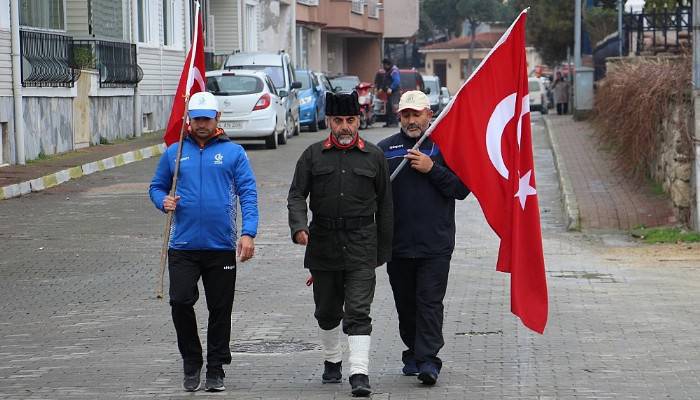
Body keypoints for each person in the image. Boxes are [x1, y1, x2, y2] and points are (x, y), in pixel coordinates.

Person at [149, 91, 259, 393]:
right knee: (180, 301)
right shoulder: (174, 152)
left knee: (220, 309)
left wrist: (248, 232)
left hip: (221, 246)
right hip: (182, 246)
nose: (201, 124)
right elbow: (156, 186)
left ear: (217, 119)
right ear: (188, 119)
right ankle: (191, 360)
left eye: (206, 119)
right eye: (196, 119)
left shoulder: (233, 152)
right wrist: (163, 201)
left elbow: (248, 193)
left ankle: (215, 368)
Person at [287, 91, 393, 397]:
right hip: (323, 245)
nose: (344, 127)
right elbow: (296, 194)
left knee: (358, 311)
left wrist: (382, 252)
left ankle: (359, 372)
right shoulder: (311, 155)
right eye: (338, 121)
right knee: (327, 310)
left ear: (358, 121)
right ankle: (332, 360)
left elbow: (386, 206)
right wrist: (298, 227)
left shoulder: (374, 156)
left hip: (362, 246)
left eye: (350, 120)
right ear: (328, 121)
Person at [377, 90, 470, 386]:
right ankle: (414, 353)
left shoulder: (445, 148)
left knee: (429, 302)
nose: (411, 120)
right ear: (398, 116)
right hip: (398, 245)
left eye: (417, 114)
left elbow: (461, 189)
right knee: (405, 304)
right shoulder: (384, 150)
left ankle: (429, 360)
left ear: (429, 115)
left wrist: (433, 170)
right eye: (406, 114)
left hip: (435, 245)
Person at [377, 58, 401, 127]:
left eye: (384, 65)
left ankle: (394, 123)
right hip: (389, 93)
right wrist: (381, 88)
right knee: (388, 107)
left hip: (394, 93)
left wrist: (391, 88)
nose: (383, 67)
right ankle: (389, 122)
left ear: (387, 64)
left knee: (393, 107)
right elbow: (385, 81)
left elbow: (397, 81)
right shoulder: (388, 71)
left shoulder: (394, 71)